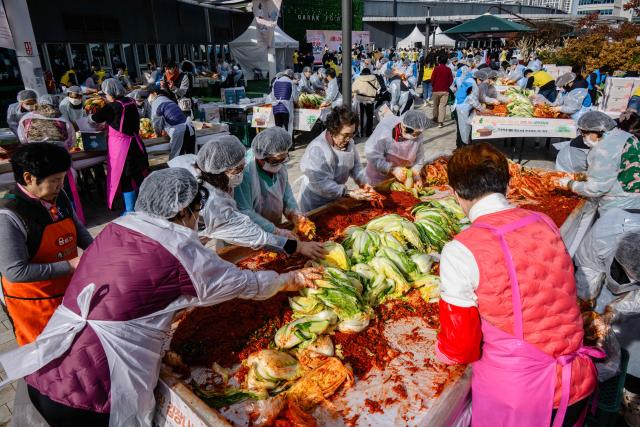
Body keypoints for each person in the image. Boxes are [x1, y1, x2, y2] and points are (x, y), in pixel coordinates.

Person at [0, 167, 322, 426]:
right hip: (96, 391)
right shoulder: (181, 252)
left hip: (46, 367)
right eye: (196, 209)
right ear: (182, 209)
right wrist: (290, 279)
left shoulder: (118, 226)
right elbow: (243, 283)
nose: (198, 217)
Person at [436, 142, 602, 427]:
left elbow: (460, 348)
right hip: (577, 380)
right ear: (508, 183)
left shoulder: (461, 249)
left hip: (522, 399)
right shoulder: (544, 221)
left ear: (454, 194)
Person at [169, 136, 326, 258]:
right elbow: (256, 237)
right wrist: (297, 246)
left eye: (243, 167)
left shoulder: (201, 167)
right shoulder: (215, 206)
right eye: (237, 169)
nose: (242, 173)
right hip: (175, 243)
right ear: (219, 170)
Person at [0, 143, 92, 346]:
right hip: (35, 304)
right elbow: (15, 272)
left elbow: (76, 228)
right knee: (44, 357)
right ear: (28, 178)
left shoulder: (58, 197)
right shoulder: (8, 215)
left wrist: (96, 250)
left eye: (63, 178)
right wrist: (70, 265)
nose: (61, 185)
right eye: (55, 180)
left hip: (66, 293)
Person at [554, 111, 640, 300]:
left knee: (597, 255)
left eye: (585, 133)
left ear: (598, 131)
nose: (584, 138)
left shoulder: (604, 149)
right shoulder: (625, 136)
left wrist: (570, 185)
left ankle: (587, 300)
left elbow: (595, 188)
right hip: (635, 203)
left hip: (618, 208)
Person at [591, 231, 640, 426]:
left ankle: (632, 393)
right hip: (601, 288)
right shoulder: (605, 234)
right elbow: (588, 264)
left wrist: (614, 311)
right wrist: (586, 295)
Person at [299, 106, 379, 212]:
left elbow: (356, 166)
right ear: (333, 130)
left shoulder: (349, 142)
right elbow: (321, 183)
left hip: (335, 196)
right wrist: (347, 192)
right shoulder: (317, 149)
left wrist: (364, 183)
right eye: (345, 135)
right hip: (315, 201)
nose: (349, 139)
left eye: (352, 134)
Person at [90, 78, 149, 214]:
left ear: (109, 92)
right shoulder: (130, 102)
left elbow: (95, 118)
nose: (105, 96)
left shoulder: (112, 106)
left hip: (122, 149)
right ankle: (147, 202)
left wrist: (89, 119)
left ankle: (130, 209)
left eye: (105, 93)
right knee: (138, 175)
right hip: (135, 143)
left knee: (125, 178)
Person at [235, 127, 306, 238]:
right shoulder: (246, 173)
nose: (279, 164)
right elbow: (246, 213)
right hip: (250, 234)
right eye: (274, 161)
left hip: (274, 226)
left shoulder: (280, 167)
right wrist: (275, 231)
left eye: (283, 159)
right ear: (260, 157)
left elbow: (287, 194)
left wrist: (295, 214)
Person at [364, 110, 433, 186]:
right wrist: (392, 169)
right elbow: (372, 154)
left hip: (399, 181)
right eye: (410, 131)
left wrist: (415, 173)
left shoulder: (417, 136)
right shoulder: (386, 130)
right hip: (377, 179)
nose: (414, 135)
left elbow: (419, 157)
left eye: (417, 133)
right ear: (403, 124)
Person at [148, 87, 195, 159]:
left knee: (175, 159)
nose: (149, 97)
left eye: (149, 95)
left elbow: (156, 122)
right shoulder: (168, 100)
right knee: (191, 158)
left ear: (154, 93)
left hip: (179, 131)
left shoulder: (156, 102)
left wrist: (158, 134)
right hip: (190, 128)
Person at [454, 69, 487, 147]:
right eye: (481, 81)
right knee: (464, 129)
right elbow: (473, 101)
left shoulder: (469, 80)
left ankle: (460, 145)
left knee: (461, 129)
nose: (481, 83)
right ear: (478, 79)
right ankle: (464, 147)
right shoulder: (474, 85)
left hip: (458, 105)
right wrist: (482, 109)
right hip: (463, 108)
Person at [352, 68, 379, 137]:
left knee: (360, 117)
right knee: (370, 117)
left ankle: (360, 132)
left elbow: (353, 89)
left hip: (360, 100)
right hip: (370, 100)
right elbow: (378, 87)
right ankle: (368, 132)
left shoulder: (358, 79)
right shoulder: (374, 78)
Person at [270, 69, 297, 134]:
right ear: (291, 76)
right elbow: (295, 98)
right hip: (286, 108)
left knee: (278, 128)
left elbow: (273, 96)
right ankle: (288, 143)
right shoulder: (291, 83)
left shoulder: (275, 82)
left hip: (276, 108)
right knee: (288, 128)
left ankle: (278, 143)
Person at [430, 55, 454, 129]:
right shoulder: (448, 69)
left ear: (439, 61)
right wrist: (446, 85)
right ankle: (440, 122)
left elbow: (432, 79)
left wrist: (433, 85)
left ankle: (435, 118)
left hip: (436, 89)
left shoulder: (436, 68)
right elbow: (451, 80)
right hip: (445, 90)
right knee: (442, 106)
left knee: (435, 105)